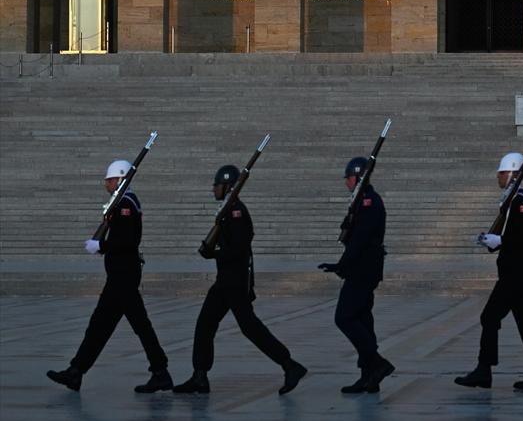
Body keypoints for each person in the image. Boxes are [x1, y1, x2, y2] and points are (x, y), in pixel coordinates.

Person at [173, 164, 307, 396]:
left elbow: (239, 249)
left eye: (216, 185)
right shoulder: (229, 210)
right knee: (205, 324)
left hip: (234, 283)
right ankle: (200, 376)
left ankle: (290, 365)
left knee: (250, 328)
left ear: (227, 186)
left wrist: (212, 253)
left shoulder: (236, 212)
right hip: (225, 282)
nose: (213, 188)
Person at [47, 160, 173, 393]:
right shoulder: (124, 202)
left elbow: (126, 241)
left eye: (109, 178)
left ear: (120, 179)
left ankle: (160, 371)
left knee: (133, 324)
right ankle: (76, 372)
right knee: (101, 325)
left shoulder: (125, 203)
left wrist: (101, 246)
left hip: (123, 275)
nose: (106, 182)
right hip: (120, 274)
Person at [454, 151, 523, 391]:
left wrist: (501, 241)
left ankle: (483, 370)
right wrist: (493, 240)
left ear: (513, 174)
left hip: (515, 273)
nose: (498, 177)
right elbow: (513, 235)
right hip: (514, 271)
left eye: (502, 173)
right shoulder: (513, 199)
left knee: (489, 317)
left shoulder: (520, 201)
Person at [318, 156, 393, 394]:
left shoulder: (370, 201)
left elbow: (359, 240)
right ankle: (369, 375)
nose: (346, 183)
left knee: (345, 317)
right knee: (362, 320)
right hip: (362, 269)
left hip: (363, 270)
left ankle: (378, 364)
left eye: (348, 178)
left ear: (358, 178)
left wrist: (342, 265)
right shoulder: (362, 201)